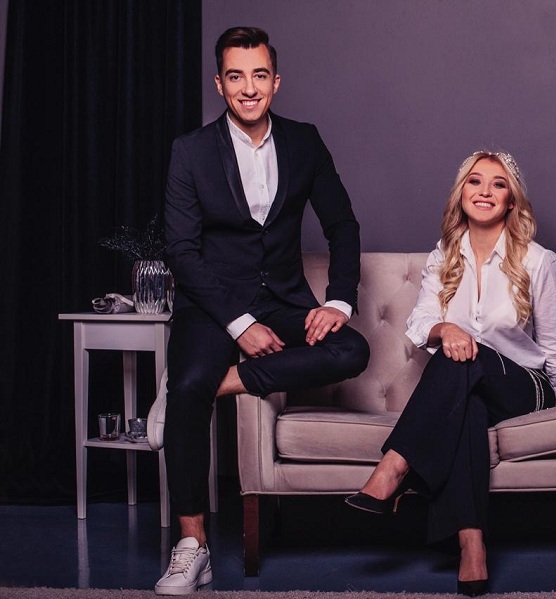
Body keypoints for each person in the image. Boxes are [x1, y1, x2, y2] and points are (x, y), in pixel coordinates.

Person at [147, 27, 370, 595]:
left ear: (276, 81)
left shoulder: (304, 141)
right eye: (236, 76)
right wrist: (240, 324)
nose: (249, 88)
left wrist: (339, 300)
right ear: (220, 84)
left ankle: (219, 384)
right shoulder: (191, 151)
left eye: (260, 75)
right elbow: (182, 251)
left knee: (352, 349)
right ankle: (192, 546)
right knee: (188, 385)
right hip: (212, 305)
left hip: (284, 298)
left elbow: (342, 224)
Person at [345, 151, 556, 596]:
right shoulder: (444, 256)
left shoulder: (538, 260)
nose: (485, 191)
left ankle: (395, 464)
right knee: (466, 403)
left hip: (528, 388)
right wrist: (445, 328)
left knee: (462, 359)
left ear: (511, 200)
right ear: (461, 194)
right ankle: (471, 544)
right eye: (475, 181)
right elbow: (421, 323)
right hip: (470, 388)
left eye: (498, 184)